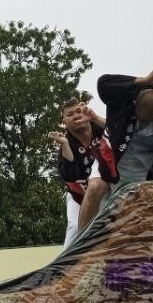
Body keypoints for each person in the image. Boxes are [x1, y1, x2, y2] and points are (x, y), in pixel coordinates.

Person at [50, 101, 115, 248]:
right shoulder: (66, 144)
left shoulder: (100, 128)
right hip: (80, 194)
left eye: (79, 111)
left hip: (109, 188)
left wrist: (95, 118)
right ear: (64, 122)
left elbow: (119, 131)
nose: (76, 116)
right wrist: (65, 145)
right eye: (70, 114)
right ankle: (65, 268)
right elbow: (70, 177)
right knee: (74, 227)